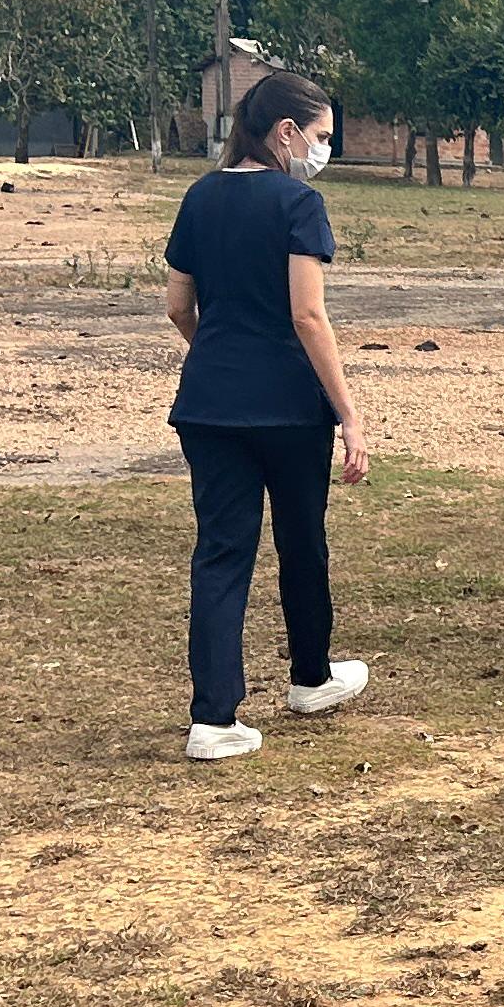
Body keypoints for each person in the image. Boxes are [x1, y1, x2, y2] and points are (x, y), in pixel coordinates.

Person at [164, 69, 371, 764]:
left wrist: (220, 357)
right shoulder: (298, 203)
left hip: (209, 405)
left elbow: (177, 308)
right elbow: (308, 315)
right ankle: (310, 677)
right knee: (301, 543)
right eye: (320, 137)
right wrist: (349, 414)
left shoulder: (198, 197)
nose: (322, 151)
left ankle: (214, 717)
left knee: (222, 553)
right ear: (286, 133)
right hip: (287, 408)